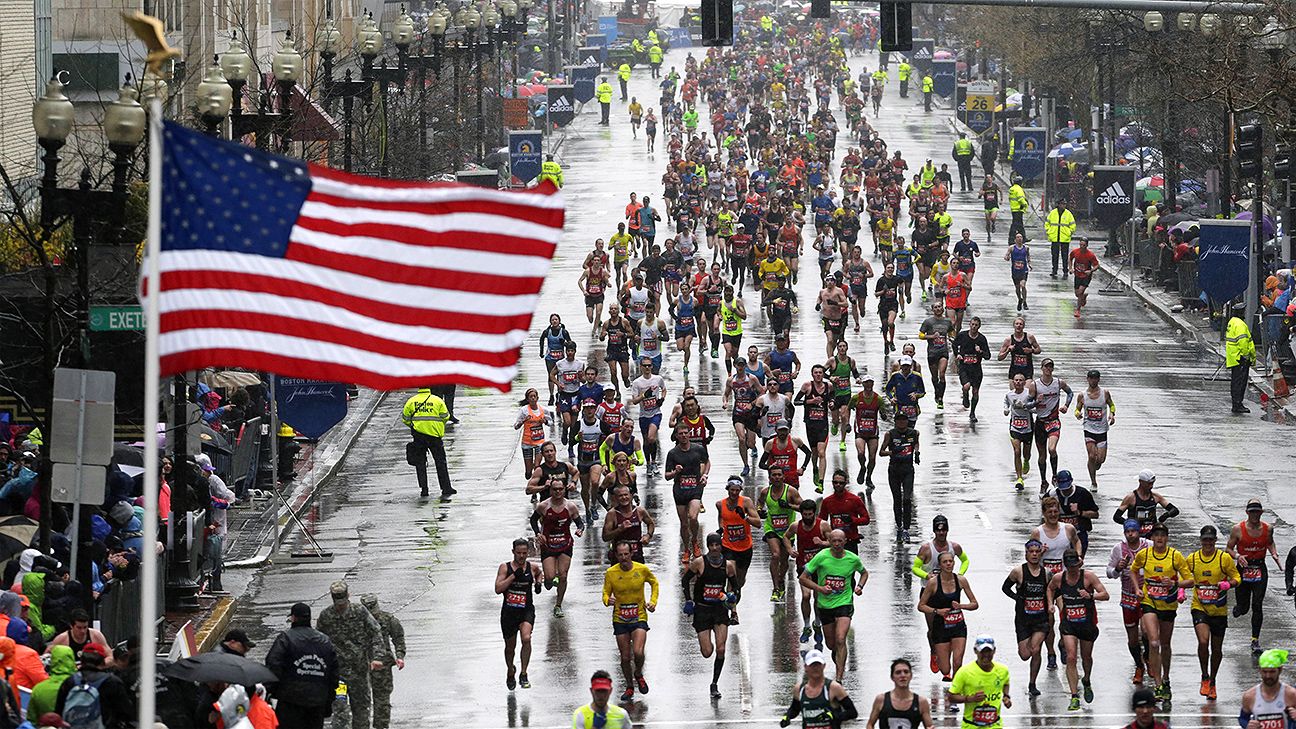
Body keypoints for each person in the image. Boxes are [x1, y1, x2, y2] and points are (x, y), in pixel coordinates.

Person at [1131, 524, 1192, 701]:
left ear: (1167, 538)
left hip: (1168, 605)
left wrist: (1175, 584)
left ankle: (1166, 678)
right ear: (1152, 538)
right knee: (1154, 642)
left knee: (1165, 645)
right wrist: (1137, 588)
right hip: (1149, 602)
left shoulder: (1175, 556)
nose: (1159, 538)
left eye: (1162, 535)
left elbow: (1190, 581)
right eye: (1156, 535)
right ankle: (1157, 684)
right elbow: (1133, 570)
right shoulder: (1144, 554)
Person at [799, 529, 869, 680]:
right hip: (825, 605)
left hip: (844, 603)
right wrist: (820, 589)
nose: (837, 544)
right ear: (829, 542)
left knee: (840, 639)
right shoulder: (821, 557)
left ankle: (839, 677)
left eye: (840, 541)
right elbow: (803, 578)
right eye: (834, 541)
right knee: (831, 644)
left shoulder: (852, 559)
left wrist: (860, 586)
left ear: (845, 542)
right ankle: (838, 654)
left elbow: (864, 573)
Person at [1048, 549, 1108, 710]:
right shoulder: (1059, 578)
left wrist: (1091, 596)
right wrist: (1050, 604)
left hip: (1087, 623)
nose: (1073, 569)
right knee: (1071, 657)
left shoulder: (1088, 577)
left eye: (1075, 566)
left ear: (1079, 564)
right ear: (1065, 566)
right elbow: (1050, 588)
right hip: (1069, 624)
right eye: (1070, 566)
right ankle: (1074, 696)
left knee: (1086, 657)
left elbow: (1105, 594)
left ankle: (1086, 680)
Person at [1185, 525, 1240, 700]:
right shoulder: (1193, 559)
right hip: (1199, 607)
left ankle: (1213, 681)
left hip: (1219, 609)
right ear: (1200, 540)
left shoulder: (1224, 559)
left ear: (1215, 540)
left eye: (1210, 540)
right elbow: (1182, 576)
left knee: (1216, 649)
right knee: (1203, 641)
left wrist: (1228, 584)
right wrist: (1180, 590)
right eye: (1205, 540)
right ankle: (1204, 676)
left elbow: (1237, 578)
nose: (1207, 543)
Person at [265, 603, 339, 729]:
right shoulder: (325, 641)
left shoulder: (286, 638)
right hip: (317, 701)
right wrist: (329, 699)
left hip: (290, 702)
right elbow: (334, 674)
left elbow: (273, 665)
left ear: (293, 618)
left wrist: (270, 692)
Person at [602, 541, 659, 702]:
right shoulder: (611, 573)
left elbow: (654, 583)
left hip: (639, 616)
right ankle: (629, 686)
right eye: (620, 555)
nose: (623, 557)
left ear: (631, 554)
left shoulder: (641, 569)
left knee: (638, 652)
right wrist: (607, 600)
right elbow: (605, 593)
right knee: (625, 658)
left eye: (626, 554)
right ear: (616, 555)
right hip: (620, 618)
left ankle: (638, 673)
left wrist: (653, 602)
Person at [682, 533, 737, 699]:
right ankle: (707, 640)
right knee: (707, 652)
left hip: (719, 610)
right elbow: (685, 580)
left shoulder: (728, 566)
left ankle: (714, 684)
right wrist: (689, 600)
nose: (714, 548)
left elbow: (735, 588)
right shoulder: (699, 563)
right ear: (707, 546)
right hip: (702, 610)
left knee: (721, 649)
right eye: (711, 545)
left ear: (721, 546)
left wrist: (731, 599)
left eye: (717, 545)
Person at [1228, 499, 1283, 653]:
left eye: (1257, 512)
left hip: (1259, 569)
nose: (1254, 515)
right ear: (1247, 512)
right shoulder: (1237, 529)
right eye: (1252, 512)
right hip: (1243, 569)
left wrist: (1274, 553)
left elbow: (1270, 542)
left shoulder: (1268, 528)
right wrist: (1238, 556)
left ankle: (1255, 640)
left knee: (1257, 604)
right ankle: (1239, 608)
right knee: (1244, 608)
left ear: (1261, 512)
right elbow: (1228, 548)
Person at [918, 551, 979, 682]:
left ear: (954, 563)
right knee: (945, 669)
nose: (948, 564)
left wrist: (961, 606)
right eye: (945, 562)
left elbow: (975, 604)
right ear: (940, 565)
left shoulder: (961, 580)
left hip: (958, 626)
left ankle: (955, 688)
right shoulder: (933, 583)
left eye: (950, 561)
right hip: (940, 627)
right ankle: (938, 655)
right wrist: (937, 611)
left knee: (957, 661)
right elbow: (921, 606)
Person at [1108, 518, 1153, 684]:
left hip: (1147, 595)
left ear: (1139, 531)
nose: (1130, 534)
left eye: (1133, 531)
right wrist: (1118, 568)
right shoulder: (1119, 549)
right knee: (1133, 638)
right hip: (1128, 596)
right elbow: (1109, 572)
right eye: (1127, 532)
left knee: (1147, 631)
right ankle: (1139, 665)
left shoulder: (1149, 546)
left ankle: (1148, 657)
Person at [531, 477, 584, 617]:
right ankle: (548, 580)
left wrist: (580, 530)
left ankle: (558, 605)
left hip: (565, 544)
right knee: (549, 577)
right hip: (548, 545)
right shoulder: (543, 506)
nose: (558, 492)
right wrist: (538, 533)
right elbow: (533, 520)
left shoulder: (570, 506)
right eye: (555, 489)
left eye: (560, 489)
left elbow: (580, 523)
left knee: (563, 575)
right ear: (550, 490)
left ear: (564, 489)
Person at [1002, 540, 1049, 696]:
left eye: (1037, 551)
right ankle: (1029, 646)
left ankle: (1032, 684)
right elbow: (1005, 588)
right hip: (1023, 619)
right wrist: (1018, 598)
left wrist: (1050, 604)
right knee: (1025, 655)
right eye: (1031, 552)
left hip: (1041, 620)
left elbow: (1053, 591)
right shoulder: (1018, 572)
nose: (1034, 554)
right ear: (1026, 554)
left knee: (1036, 650)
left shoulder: (1047, 573)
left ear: (1041, 554)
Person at [496, 538, 543, 691]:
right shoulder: (505, 568)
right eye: (518, 553)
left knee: (526, 638)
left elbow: (539, 573)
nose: (521, 556)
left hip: (526, 610)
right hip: (509, 613)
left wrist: (538, 583)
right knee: (510, 648)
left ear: (528, 552)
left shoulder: (532, 567)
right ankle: (510, 670)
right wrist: (513, 577)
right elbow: (498, 589)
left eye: (524, 553)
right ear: (513, 552)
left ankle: (523, 673)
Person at [717, 475, 762, 621]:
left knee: (739, 582)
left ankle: (736, 593)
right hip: (728, 546)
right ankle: (734, 614)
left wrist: (745, 517)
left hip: (745, 547)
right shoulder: (720, 504)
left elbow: (758, 523)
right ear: (728, 489)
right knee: (732, 577)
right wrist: (721, 528)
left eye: (737, 490)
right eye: (732, 490)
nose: (734, 493)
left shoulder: (746, 502)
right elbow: (721, 516)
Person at [54, 644, 129, 729]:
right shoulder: (112, 682)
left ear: (82, 661)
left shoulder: (69, 682)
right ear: (103, 661)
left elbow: (58, 712)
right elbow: (126, 713)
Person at [779, 649, 859, 728]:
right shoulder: (799, 689)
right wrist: (787, 717)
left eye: (818, 665)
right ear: (806, 667)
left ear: (824, 666)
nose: (815, 668)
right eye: (812, 665)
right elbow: (794, 709)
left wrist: (833, 716)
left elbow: (852, 712)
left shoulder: (834, 688)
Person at [359, 594, 404, 729]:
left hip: (382, 665)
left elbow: (398, 638)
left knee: (382, 699)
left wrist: (400, 656)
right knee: (360, 700)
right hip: (360, 665)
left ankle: (381, 726)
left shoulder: (388, 619)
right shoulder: (355, 621)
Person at [400, 387, 454, 499]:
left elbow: (405, 418)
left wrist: (415, 426)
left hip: (419, 436)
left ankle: (424, 489)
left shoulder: (411, 401)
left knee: (420, 463)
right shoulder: (437, 400)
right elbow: (446, 416)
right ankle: (446, 488)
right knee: (440, 462)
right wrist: (436, 426)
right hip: (435, 436)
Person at [666, 428, 710, 563]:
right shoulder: (673, 453)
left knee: (693, 517)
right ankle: (686, 549)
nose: (684, 435)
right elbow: (667, 476)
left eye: (686, 433)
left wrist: (704, 475)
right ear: (676, 436)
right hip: (680, 490)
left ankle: (695, 541)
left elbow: (707, 462)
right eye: (681, 433)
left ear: (689, 434)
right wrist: (675, 472)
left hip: (695, 488)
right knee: (684, 524)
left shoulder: (698, 449)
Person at [948, 636, 1011, 729]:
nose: (986, 655)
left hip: (995, 725)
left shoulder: (1002, 670)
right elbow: (951, 696)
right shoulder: (964, 672)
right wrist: (970, 698)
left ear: (994, 651)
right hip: (971, 726)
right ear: (975, 651)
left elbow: (1005, 683)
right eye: (982, 651)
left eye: (989, 651)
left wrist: (1006, 696)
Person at [1028, 358, 1073, 492]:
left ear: (1053, 369)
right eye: (1046, 367)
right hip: (1040, 423)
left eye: (1050, 367)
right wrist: (1037, 401)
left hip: (1053, 421)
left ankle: (1054, 476)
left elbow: (1070, 393)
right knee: (1042, 456)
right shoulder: (1035, 385)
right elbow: (1027, 404)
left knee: (1052, 449)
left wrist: (1066, 405)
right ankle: (1043, 481)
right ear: (1042, 368)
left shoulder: (1058, 383)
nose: (1048, 369)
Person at [879, 410, 920, 540]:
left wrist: (917, 453)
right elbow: (881, 452)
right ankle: (899, 527)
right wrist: (892, 452)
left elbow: (916, 444)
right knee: (897, 499)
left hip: (908, 469)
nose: (902, 422)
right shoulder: (890, 434)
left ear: (907, 421)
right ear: (895, 421)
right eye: (899, 420)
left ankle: (907, 529)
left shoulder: (914, 433)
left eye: (904, 419)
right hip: (894, 470)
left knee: (907, 499)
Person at [866, 658, 933, 729]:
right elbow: (870, 724)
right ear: (892, 677)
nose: (903, 675)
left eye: (906, 672)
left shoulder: (921, 702)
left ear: (911, 676)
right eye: (898, 672)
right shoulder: (881, 700)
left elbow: (929, 726)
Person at [1076, 369, 1114, 490]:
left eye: (1096, 378)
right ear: (1087, 379)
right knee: (1092, 456)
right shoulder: (1082, 395)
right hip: (1089, 429)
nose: (1093, 380)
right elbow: (1077, 409)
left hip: (1102, 430)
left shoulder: (1105, 393)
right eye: (1091, 378)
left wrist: (1112, 414)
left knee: (1100, 459)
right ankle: (1093, 482)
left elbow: (1111, 405)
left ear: (1098, 379)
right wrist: (1078, 414)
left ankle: (1095, 465)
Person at [1239, 650, 1296, 729]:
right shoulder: (1249, 696)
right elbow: (1243, 719)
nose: (1268, 676)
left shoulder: (1291, 694)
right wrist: (1247, 725)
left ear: (1280, 670)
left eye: (1272, 672)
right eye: (1265, 671)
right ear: (1260, 670)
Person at [1113, 470, 1180, 537]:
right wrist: (1129, 523)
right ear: (1141, 482)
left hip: (1151, 535)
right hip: (1136, 536)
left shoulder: (1156, 497)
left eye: (1152, 483)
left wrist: (1166, 515)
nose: (1151, 486)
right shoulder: (1131, 498)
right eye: (1148, 484)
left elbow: (1175, 510)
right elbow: (1116, 517)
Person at [848, 375, 887, 491]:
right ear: (863, 384)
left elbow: (883, 413)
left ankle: (869, 477)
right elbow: (848, 409)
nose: (868, 385)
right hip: (860, 431)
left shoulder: (878, 399)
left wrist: (884, 415)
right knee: (861, 453)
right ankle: (862, 467)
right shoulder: (856, 398)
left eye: (870, 382)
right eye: (866, 382)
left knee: (872, 457)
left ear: (873, 384)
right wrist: (847, 423)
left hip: (873, 432)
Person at [602, 482, 655, 563]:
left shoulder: (639, 511)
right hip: (619, 557)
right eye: (620, 496)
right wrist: (619, 529)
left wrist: (648, 535)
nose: (624, 497)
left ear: (631, 496)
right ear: (615, 498)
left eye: (626, 495)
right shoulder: (612, 514)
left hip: (637, 554)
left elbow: (650, 523)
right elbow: (605, 537)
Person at [1052, 470, 1099, 556]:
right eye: (1063, 489)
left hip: (1079, 534)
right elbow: (1044, 514)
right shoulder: (1052, 494)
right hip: (1059, 535)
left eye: (1067, 489)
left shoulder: (1082, 493)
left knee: (1076, 560)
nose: (1065, 491)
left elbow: (1095, 514)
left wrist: (1080, 512)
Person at [918, 303, 954, 409]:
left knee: (942, 374)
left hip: (943, 351)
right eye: (936, 307)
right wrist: (931, 336)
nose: (938, 309)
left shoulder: (947, 321)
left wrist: (952, 339)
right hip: (932, 352)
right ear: (932, 310)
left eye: (939, 307)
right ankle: (936, 391)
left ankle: (940, 398)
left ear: (942, 309)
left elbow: (951, 333)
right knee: (934, 376)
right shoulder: (928, 322)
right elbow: (920, 335)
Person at [953, 317, 990, 422]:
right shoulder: (962, 335)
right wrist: (957, 354)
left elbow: (988, 356)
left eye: (976, 325)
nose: (973, 327)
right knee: (966, 386)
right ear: (969, 324)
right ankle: (965, 394)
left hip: (976, 369)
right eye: (972, 324)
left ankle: (972, 413)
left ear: (979, 326)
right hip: (964, 367)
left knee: (975, 391)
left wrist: (980, 351)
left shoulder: (982, 339)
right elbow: (954, 345)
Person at [1003, 374, 1034, 491]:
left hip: (1028, 427)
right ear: (1013, 382)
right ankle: (1019, 478)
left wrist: (1025, 407)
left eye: (1021, 380)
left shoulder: (1029, 394)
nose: (1018, 382)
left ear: (1024, 382)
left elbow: (1036, 408)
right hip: (1014, 427)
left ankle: (1026, 460)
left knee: (1026, 453)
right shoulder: (1009, 394)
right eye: (1016, 380)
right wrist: (1006, 409)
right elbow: (1006, 402)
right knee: (1017, 451)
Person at [1226, 304, 1256, 413]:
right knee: (1240, 382)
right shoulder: (1240, 324)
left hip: (1234, 357)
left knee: (1236, 381)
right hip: (1241, 358)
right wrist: (1247, 356)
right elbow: (1243, 342)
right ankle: (1237, 404)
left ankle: (1236, 403)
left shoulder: (1232, 322)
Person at [1069, 238, 1099, 317]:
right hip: (1077, 275)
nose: (1082, 247)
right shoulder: (1075, 252)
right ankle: (1083, 297)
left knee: (1079, 292)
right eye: (1081, 245)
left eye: (1084, 245)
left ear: (1087, 245)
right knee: (1077, 294)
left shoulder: (1090, 255)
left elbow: (1096, 265)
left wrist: (1091, 270)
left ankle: (1078, 310)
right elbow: (1070, 258)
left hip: (1086, 276)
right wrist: (1070, 268)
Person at [1045, 200, 1076, 277]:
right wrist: (1049, 231)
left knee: (1064, 256)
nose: (1063, 206)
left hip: (1065, 238)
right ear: (1058, 204)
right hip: (1054, 238)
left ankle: (1065, 271)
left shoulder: (1068, 214)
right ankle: (1054, 270)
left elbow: (1073, 225)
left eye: (1065, 204)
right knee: (1054, 255)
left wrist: (1069, 232)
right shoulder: (1053, 213)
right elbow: (1047, 223)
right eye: (1062, 204)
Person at [1004, 235, 1032, 311]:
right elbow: (1006, 255)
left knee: (1023, 285)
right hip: (1015, 271)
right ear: (1015, 239)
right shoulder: (1012, 248)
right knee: (1017, 287)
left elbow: (1028, 256)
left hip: (1024, 270)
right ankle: (1020, 299)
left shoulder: (1026, 248)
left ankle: (1025, 302)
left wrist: (1029, 264)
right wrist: (1007, 258)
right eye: (1018, 237)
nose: (1019, 239)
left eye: (1021, 237)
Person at [1007, 176, 1027, 245]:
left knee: (1019, 224)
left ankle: (1023, 237)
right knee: (1016, 225)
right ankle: (1011, 238)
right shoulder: (1019, 189)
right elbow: (1020, 198)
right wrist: (1025, 204)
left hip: (1014, 208)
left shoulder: (1012, 189)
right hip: (1019, 209)